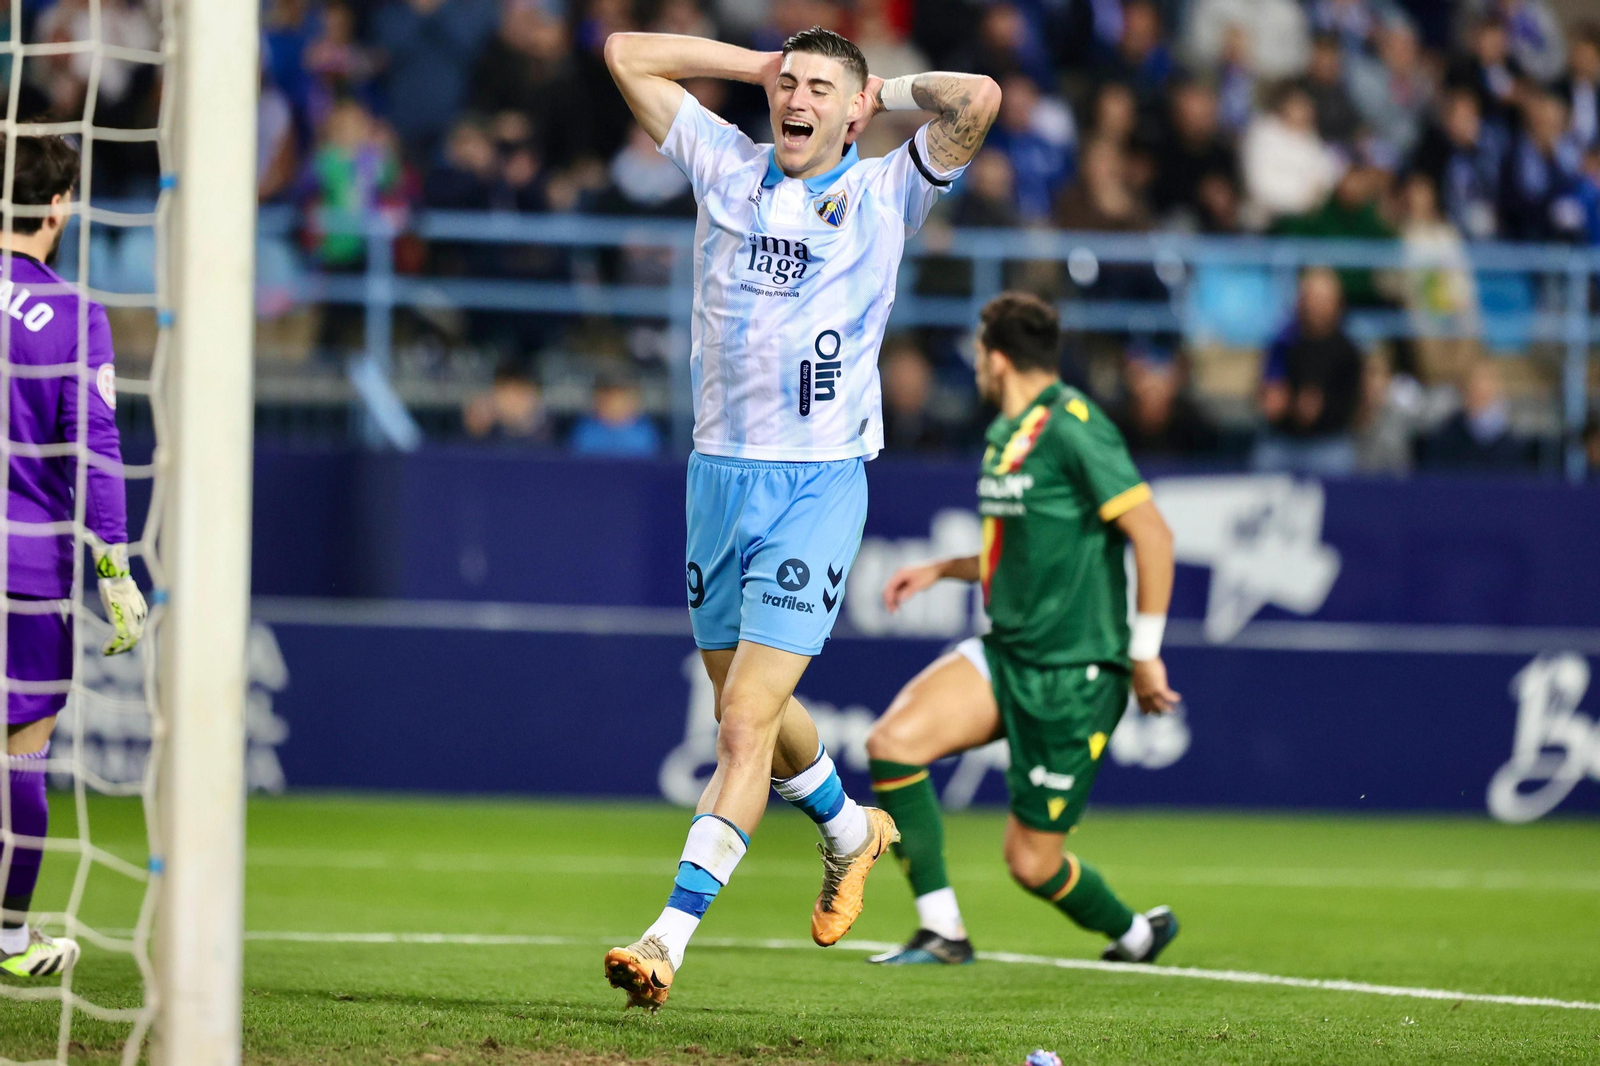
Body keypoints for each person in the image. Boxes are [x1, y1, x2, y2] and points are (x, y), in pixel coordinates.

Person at [600, 26, 1000, 1010]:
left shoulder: (882, 188)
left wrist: (875, 88)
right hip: (717, 481)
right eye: (793, 83)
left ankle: (666, 938)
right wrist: (759, 65)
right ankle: (849, 828)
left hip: (815, 485)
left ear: (853, 110)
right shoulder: (722, 162)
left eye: (822, 88)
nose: (799, 98)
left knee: (739, 725)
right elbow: (621, 53)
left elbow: (979, 98)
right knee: (758, 709)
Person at [862, 293, 1180, 967]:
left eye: (979, 353)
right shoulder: (1007, 436)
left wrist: (1145, 654)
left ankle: (1135, 935)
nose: (975, 365)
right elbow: (1026, 549)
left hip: (1074, 672)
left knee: (1031, 865)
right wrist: (942, 570)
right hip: (1007, 653)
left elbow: (1152, 534)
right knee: (891, 744)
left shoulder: (1074, 425)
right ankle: (943, 931)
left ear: (997, 359)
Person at [0, 133, 147, 978]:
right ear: (59, 207)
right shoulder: (72, 312)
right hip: (24, 567)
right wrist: (115, 565)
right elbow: (91, 442)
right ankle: (13, 937)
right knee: (22, 746)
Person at [1252, 267, 1365, 475]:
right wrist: (1276, 401)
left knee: (1338, 459)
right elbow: (1268, 389)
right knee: (1266, 458)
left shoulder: (1348, 350)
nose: (1317, 306)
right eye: (1312, 297)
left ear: (1337, 303)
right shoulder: (1283, 341)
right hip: (1284, 440)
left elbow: (1354, 407)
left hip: (1328, 442)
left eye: (1324, 299)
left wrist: (1323, 410)